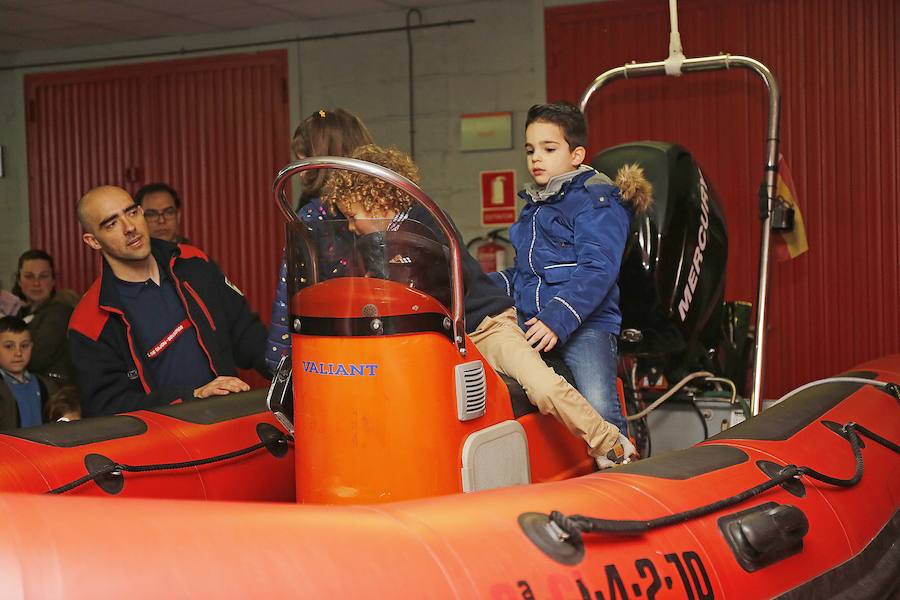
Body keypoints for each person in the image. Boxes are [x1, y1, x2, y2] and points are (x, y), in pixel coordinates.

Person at [323, 144, 635, 468]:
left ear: (379, 201)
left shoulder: (423, 224)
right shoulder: (379, 243)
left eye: (351, 216)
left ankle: (611, 445)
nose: (349, 226)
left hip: (487, 324)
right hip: (445, 337)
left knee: (541, 387)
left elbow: (422, 282)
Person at [491, 102, 653, 434]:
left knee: (599, 407)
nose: (536, 158)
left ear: (576, 154)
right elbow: (525, 273)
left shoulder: (598, 201)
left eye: (549, 148)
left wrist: (556, 318)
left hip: (586, 326)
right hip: (534, 320)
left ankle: (620, 467)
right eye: (530, 149)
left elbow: (598, 270)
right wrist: (479, 286)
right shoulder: (535, 206)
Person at [69, 185, 270, 417]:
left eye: (132, 212)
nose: (130, 228)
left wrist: (296, 372)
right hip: (164, 444)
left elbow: (247, 335)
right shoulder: (89, 322)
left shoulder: (193, 263)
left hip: (226, 422)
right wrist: (192, 396)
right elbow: (108, 406)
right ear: (93, 241)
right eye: (112, 223)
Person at [265, 108, 374, 372]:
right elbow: (292, 287)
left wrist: (278, 359)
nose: (301, 172)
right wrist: (280, 359)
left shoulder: (312, 217)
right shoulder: (313, 217)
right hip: (357, 345)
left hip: (336, 351)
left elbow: (290, 293)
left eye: (303, 161)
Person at [12, 250, 76, 383]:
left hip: (56, 393)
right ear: (19, 280)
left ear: (53, 280)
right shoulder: (20, 313)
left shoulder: (60, 313)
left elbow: (35, 359)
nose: (36, 283)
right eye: (29, 276)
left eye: (43, 276)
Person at [0, 316, 57, 430]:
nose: (18, 353)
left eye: (24, 346)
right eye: (9, 346)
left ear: (32, 346)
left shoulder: (47, 386)